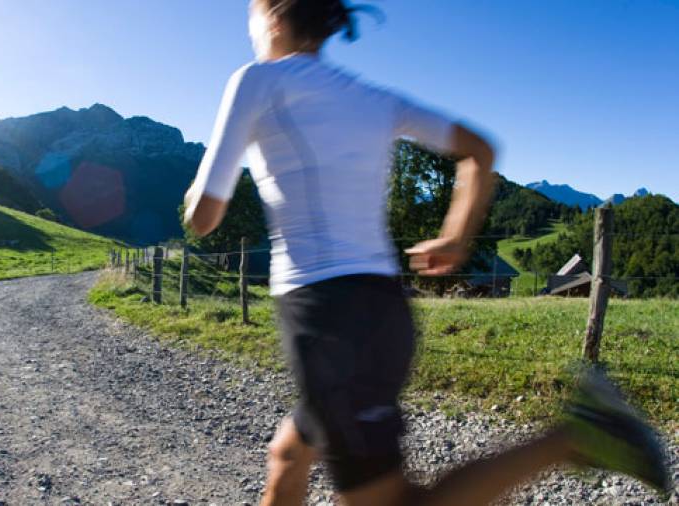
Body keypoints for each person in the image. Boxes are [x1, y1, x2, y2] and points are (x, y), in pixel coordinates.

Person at [182, 1, 671, 504]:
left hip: (328, 320)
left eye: (251, 14)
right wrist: (456, 236)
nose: (249, 29)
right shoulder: (369, 96)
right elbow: (479, 150)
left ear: (275, 19)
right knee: (289, 454)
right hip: (380, 310)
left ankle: (578, 435)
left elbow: (204, 217)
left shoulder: (257, 81)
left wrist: (195, 194)